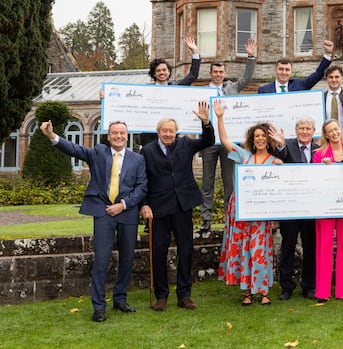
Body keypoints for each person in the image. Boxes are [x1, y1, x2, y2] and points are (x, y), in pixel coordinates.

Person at [41, 119, 147, 322]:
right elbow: (74, 148)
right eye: (114, 133)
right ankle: (99, 307)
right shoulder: (98, 152)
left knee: (127, 259)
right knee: (101, 260)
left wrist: (123, 204)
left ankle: (120, 299)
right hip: (103, 212)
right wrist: (51, 136)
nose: (118, 136)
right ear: (109, 136)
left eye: (122, 133)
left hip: (127, 213)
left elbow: (142, 187)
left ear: (127, 136)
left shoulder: (138, 159)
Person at [139, 101, 215, 312]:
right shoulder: (147, 151)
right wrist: (144, 204)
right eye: (165, 131)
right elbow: (142, 180)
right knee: (158, 253)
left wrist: (206, 122)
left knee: (186, 251)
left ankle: (184, 295)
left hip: (183, 206)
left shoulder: (186, 144)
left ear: (176, 132)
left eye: (171, 131)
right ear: (158, 132)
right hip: (159, 209)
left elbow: (209, 140)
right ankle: (161, 296)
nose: (168, 134)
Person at [212, 100, 278, 306]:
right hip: (239, 210)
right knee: (243, 248)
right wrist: (220, 117)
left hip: (262, 213)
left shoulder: (276, 161)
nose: (259, 139)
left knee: (260, 249)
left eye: (263, 136)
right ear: (252, 139)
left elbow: (282, 190)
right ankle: (247, 291)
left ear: (268, 139)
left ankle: (263, 290)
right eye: (256, 136)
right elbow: (224, 140)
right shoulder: (244, 155)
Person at [200, 38, 257, 233]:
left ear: (224, 73)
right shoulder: (201, 93)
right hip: (208, 142)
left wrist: (251, 56)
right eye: (215, 72)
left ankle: (229, 220)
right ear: (211, 74)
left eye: (221, 72)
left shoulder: (232, 88)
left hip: (228, 142)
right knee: (207, 183)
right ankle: (205, 222)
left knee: (229, 182)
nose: (218, 74)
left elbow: (247, 78)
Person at [311, 119, 343, 301]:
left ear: (340, 130)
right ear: (325, 135)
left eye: (336, 129)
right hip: (325, 206)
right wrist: (321, 167)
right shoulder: (318, 154)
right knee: (323, 246)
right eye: (330, 131)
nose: (334, 133)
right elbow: (314, 180)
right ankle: (322, 292)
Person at [270, 118, 319, 301]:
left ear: (314, 131)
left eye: (308, 128)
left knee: (310, 248)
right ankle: (287, 286)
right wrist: (281, 144)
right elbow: (279, 156)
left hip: (312, 208)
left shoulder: (319, 150)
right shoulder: (286, 145)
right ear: (296, 130)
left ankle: (308, 286)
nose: (304, 131)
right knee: (288, 246)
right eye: (301, 128)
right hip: (290, 207)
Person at [257, 40, 334, 93]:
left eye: (287, 70)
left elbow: (317, 75)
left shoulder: (299, 85)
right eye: (281, 69)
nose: (284, 72)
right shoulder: (264, 90)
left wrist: (328, 54)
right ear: (275, 70)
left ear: (291, 71)